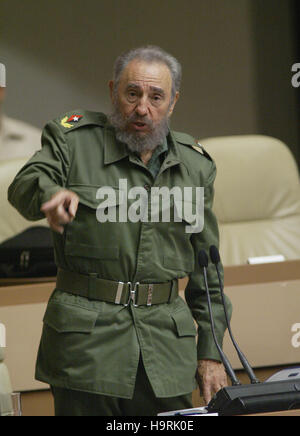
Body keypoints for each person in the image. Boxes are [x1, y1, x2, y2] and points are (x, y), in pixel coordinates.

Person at [8, 46, 232, 416]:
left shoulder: (194, 167)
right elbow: (26, 183)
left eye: (156, 96)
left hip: (165, 351)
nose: (142, 108)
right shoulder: (73, 141)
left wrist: (211, 351)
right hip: (87, 350)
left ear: (173, 102)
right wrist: (51, 193)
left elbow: (207, 271)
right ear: (114, 91)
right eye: (132, 94)